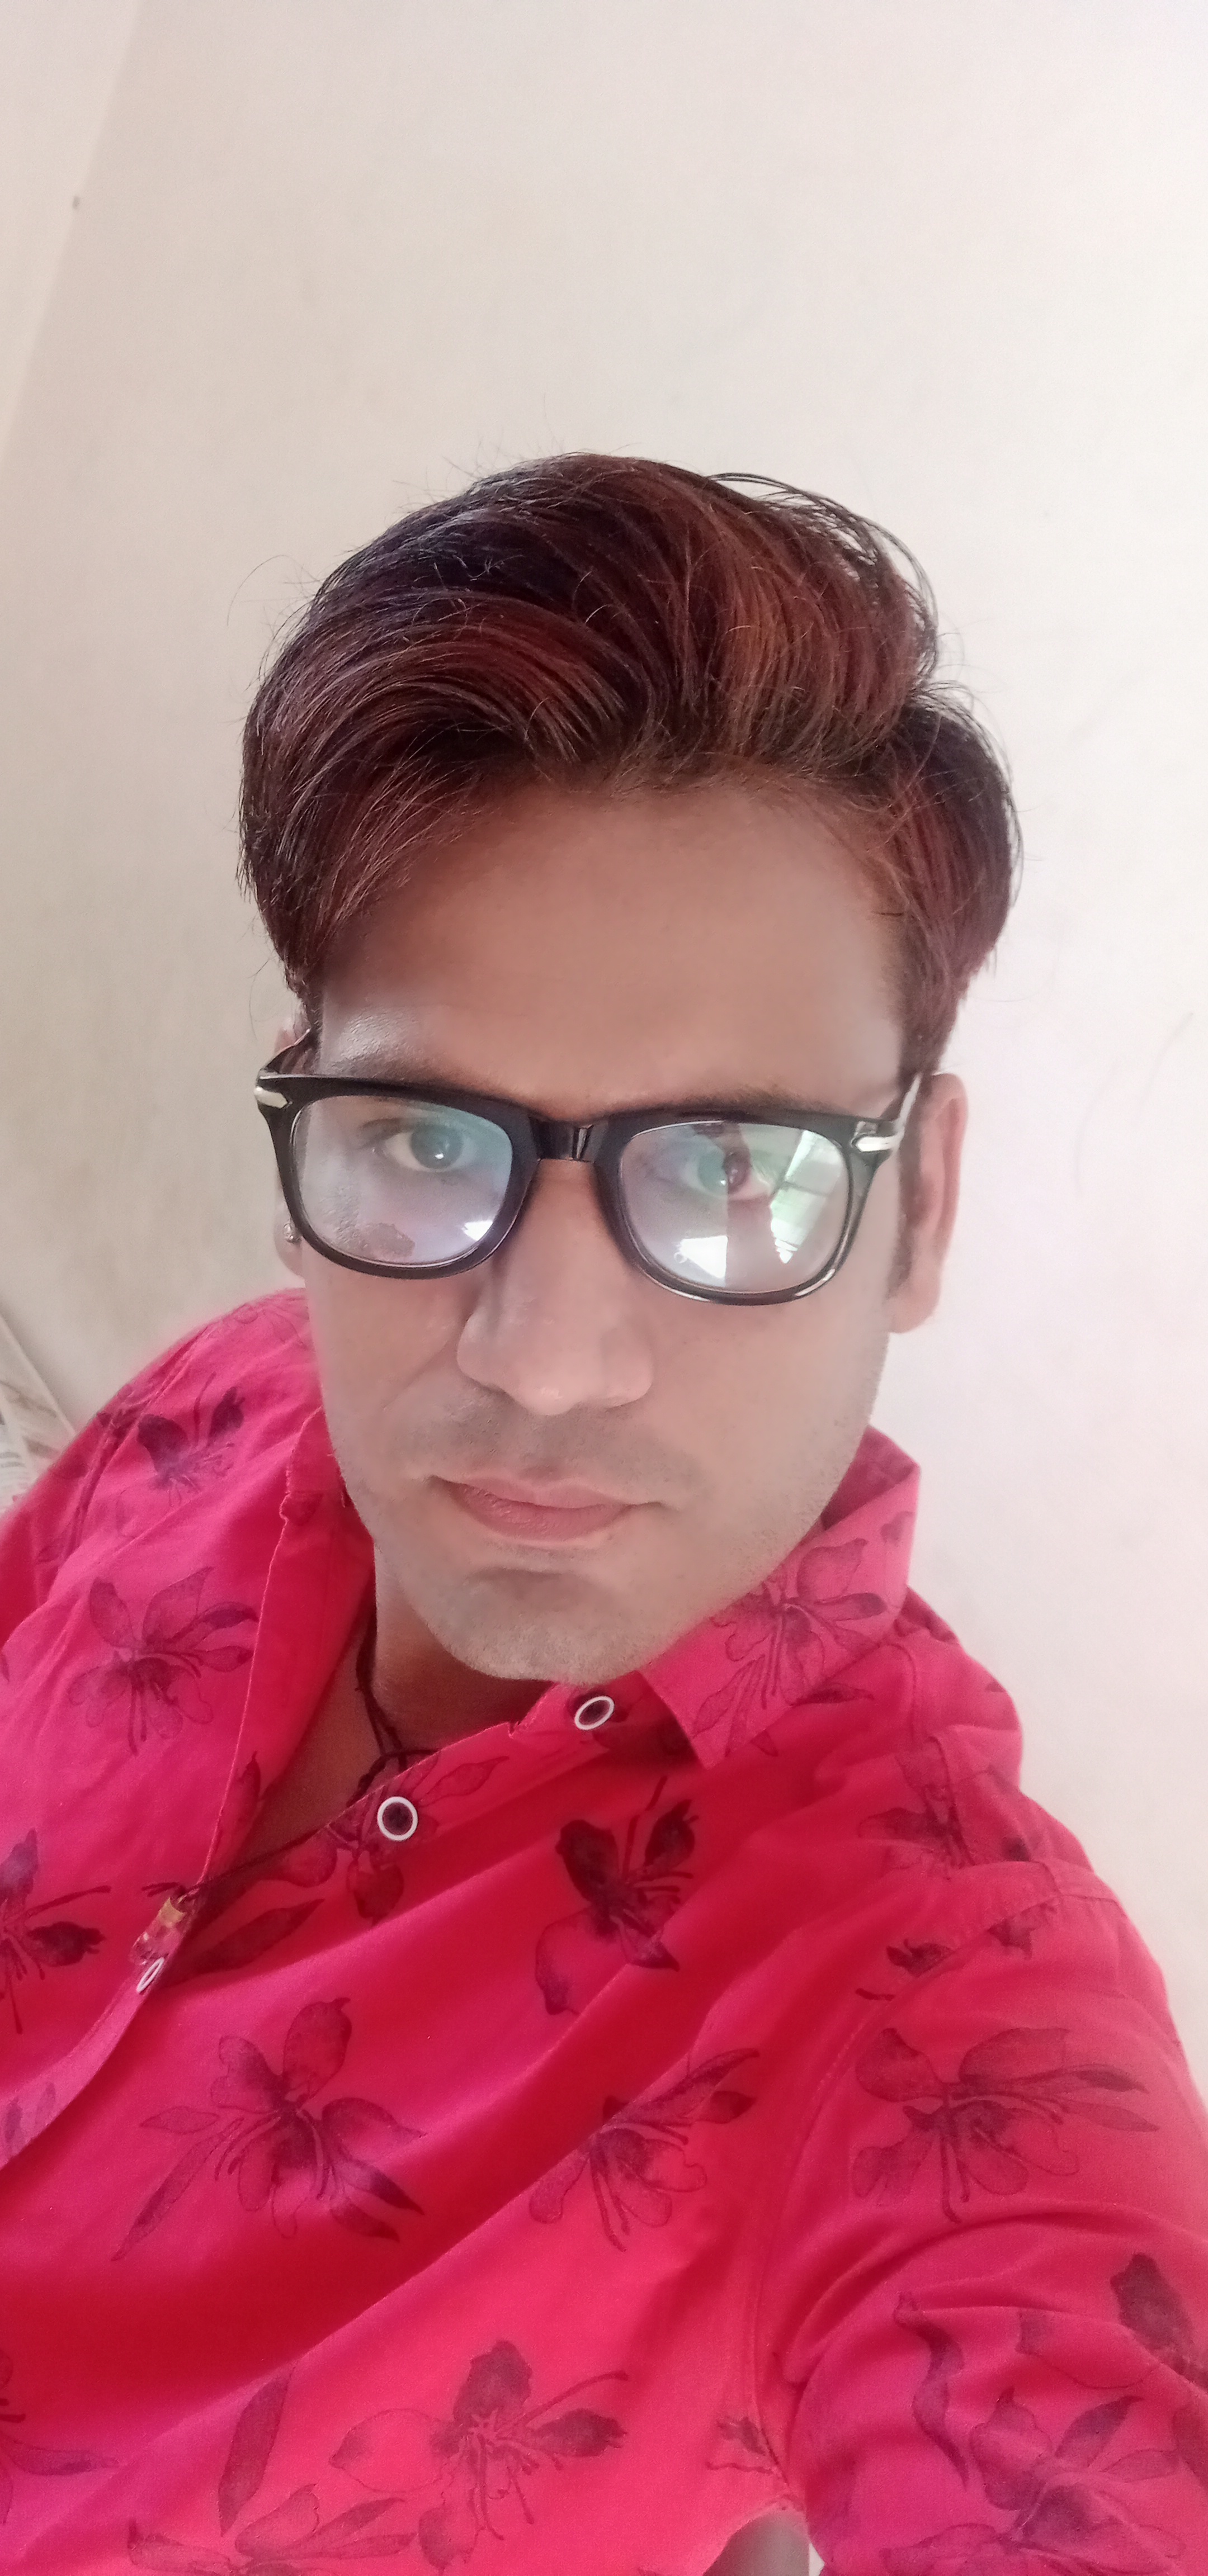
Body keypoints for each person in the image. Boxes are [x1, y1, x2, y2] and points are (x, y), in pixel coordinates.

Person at [1, 456, 1205, 2576]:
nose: (542, 1360)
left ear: (919, 1207)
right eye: (420, 1137)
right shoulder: (226, 1402)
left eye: (736, 1172)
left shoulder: (923, 1995)